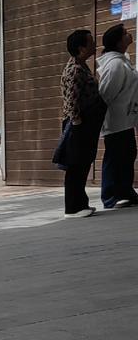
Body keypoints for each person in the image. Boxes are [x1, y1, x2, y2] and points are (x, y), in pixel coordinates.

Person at [57, 29, 107, 216]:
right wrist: (78, 125)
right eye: (91, 42)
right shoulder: (75, 70)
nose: (94, 45)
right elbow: (71, 101)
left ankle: (80, 203)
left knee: (83, 164)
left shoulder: (81, 65)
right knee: (76, 166)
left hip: (86, 124)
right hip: (80, 125)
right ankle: (73, 207)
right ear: (81, 48)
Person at [97, 22, 138, 207]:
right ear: (119, 41)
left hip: (125, 119)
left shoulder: (121, 61)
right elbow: (106, 94)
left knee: (127, 154)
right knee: (115, 157)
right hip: (116, 121)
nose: (129, 35)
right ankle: (110, 195)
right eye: (125, 34)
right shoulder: (115, 65)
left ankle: (125, 191)